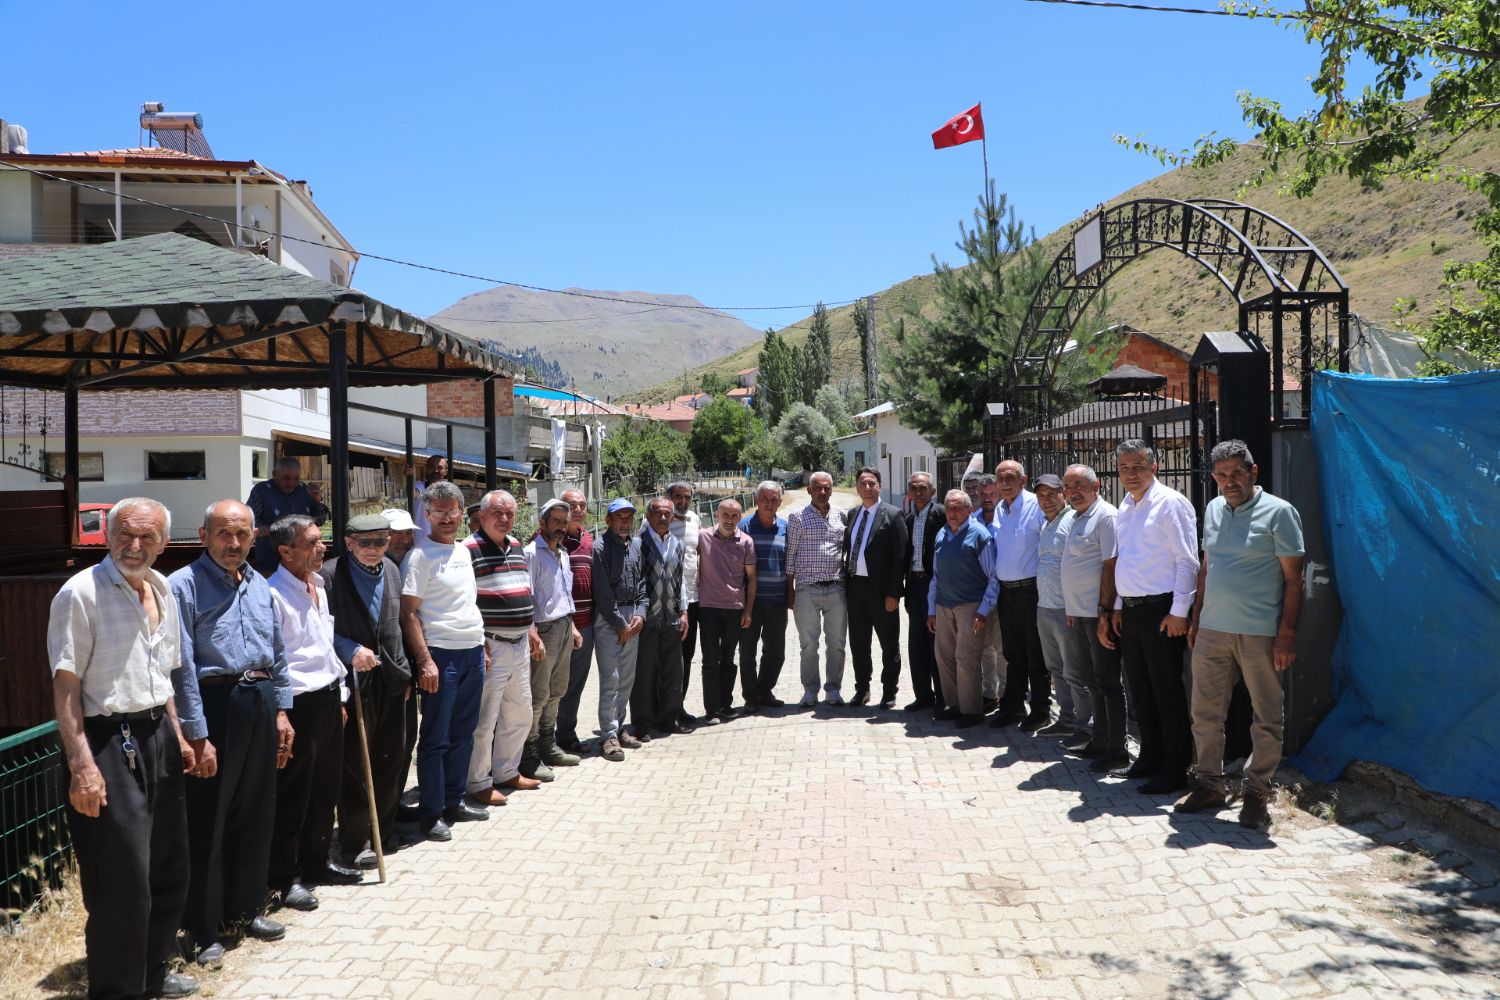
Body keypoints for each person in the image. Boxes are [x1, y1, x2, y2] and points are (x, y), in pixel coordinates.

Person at [49, 497, 198, 1000]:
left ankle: (152, 976)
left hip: (158, 737)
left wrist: (177, 736)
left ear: (164, 542)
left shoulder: (161, 586)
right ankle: (117, 990)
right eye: (125, 535)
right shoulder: (81, 593)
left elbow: (164, 676)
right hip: (108, 744)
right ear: (107, 536)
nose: (135, 547)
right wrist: (82, 767)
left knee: (167, 869)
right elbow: (66, 687)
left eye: (148, 537)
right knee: (121, 882)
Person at [170, 500, 291, 968]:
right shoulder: (183, 585)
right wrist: (197, 734)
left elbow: (276, 652)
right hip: (214, 704)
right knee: (209, 821)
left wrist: (283, 711)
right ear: (204, 536)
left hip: (259, 703)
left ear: (254, 538)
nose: (233, 544)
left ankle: (247, 908)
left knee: (258, 811)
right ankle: (203, 926)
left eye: (242, 535)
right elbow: (181, 665)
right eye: (224, 534)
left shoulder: (258, 583)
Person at [1175, 440, 1305, 830]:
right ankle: (1210, 784)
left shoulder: (1280, 513)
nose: (1229, 482)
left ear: (1253, 472)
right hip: (1213, 630)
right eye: (1221, 475)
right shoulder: (1214, 509)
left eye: (1237, 473)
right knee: (1204, 713)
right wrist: (1197, 617)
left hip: (1260, 633)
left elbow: (1294, 580)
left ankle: (1256, 794)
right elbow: (1206, 567)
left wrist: (1286, 635)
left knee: (1265, 715)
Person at [265, 515, 356, 914]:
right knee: (293, 795)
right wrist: (282, 713)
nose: (323, 548)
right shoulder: (272, 595)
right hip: (297, 703)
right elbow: (277, 660)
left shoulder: (318, 584)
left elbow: (323, 647)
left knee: (325, 788)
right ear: (286, 551)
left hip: (327, 696)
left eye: (322, 541)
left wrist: (339, 697)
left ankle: (318, 862)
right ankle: (286, 878)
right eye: (313, 542)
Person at [1098, 439, 1200, 796]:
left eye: (1138, 467)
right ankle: (1149, 758)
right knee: (1140, 691)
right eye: (1124, 468)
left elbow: (1188, 561)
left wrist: (1178, 612)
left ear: (1154, 467)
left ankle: (1176, 768)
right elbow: (1127, 559)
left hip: (1163, 611)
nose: (1131, 474)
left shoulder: (1170, 504)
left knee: (1167, 693)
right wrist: (1118, 608)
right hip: (1133, 611)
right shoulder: (1126, 505)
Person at [399, 480, 489, 842]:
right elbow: (409, 614)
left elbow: (467, 604)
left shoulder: (463, 552)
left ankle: (454, 800)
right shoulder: (419, 556)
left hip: (472, 652)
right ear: (427, 514)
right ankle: (431, 812)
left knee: (463, 733)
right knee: (435, 738)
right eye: (440, 512)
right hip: (441, 656)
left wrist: (481, 645)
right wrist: (425, 661)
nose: (448, 518)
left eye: (454, 511)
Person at [323, 514, 410, 872]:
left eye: (381, 541)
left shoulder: (390, 569)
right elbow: (317, 629)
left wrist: (404, 675)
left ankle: (382, 834)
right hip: (353, 679)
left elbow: (395, 625)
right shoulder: (329, 575)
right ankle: (353, 843)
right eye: (366, 542)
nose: (374, 549)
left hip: (390, 677)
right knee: (356, 765)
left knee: (392, 756)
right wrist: (348, 649)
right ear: (348, 542)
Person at [464, 491, 542, 807]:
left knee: (520, 711)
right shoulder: (468, 550)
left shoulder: (517, 545)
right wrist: (479, 641)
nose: (505, 518)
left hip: (520, 643)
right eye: (498, 512)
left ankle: (507, 771)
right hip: (492, 645)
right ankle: (478, 782)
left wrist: (532, 629)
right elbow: (466, 601)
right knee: (485, 720)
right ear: (481, 516)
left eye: (510, 512)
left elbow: (524, 590)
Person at [1059, 465, 1129, 773]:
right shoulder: (1077, 517)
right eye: (1067, 485)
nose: (1072, 491)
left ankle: (1117, 748)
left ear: (1096, 485)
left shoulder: (1106, 516)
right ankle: (1100, 742)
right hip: (1081, 614)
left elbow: (1111, 565)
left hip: (1098, 616)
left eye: (1078, 484)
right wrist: (1073, 609)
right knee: (1093, 682)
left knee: (1109, 683)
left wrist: (1104, 613)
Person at [521, 499, 585, 780]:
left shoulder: (563, 554)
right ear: (542, 523)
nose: (560, 527)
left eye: (563, 521)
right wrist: (532, 632)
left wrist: (572, 626)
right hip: (543, 631)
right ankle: (529, 752)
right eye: (555, 521)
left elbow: (561, 595)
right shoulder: (531, 554)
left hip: (563, 626)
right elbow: (527, 597)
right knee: (538, 694)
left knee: (557, 690)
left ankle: (549, 744)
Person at [925, 490, 998, 727]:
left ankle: (972, 711)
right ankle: (954, 705)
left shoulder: (979, 535)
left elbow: (993, 576)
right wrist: (932, 610)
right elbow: (936, 576)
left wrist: (983, 610)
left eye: (958, 508)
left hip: (970, 606)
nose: (953, 513)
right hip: (944, 605)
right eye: (949, 508)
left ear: (968, 509)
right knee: (943, 656)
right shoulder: (942, 534)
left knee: (966, 658)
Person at [989, 460, 1049, 731]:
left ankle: (1040, 710)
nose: (1005, 482)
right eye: (1001, 478)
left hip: (1030, 592)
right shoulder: (999, 509)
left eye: (1010, 477)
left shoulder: (1036, 506)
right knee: (1012, 653)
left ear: (1023, 481)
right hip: (1006, 592)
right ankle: (1012, 707)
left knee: (1035, 654)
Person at [842, 466, 909, 709]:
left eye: (872, 483)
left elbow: (900, 558)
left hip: (882, 593)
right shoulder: (852, 514)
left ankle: (889, 690)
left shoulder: (893, 515)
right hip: (855, 590)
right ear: (857, 487)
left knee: (889, 644)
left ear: (879, 486)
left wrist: (893, 593)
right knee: (859, 644)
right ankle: (862, 689)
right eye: (863, 483)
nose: (867, 488)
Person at [1032, 474, 1088, 741]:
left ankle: (1084, 725)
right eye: (1041, 496)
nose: (1046, 501)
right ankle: (1066, 719)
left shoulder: (1071, 521)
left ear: (1062, 494)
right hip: (1045, 607)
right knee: (1056, 669)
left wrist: (1070, 607)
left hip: (1065, 610)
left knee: (1075, 671)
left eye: (1051, 494)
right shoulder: (1046, 524)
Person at [785, 471, 848, 707]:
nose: (822, 492)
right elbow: (790, 555)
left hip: (835, 588)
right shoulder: (797, 517)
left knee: (837, 643)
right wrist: (789, 592)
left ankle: (833, 689)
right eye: (818, 488)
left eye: (827, 488)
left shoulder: (842, 515)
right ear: (809, 490)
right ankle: (810, 690)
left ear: (832, 489)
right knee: (809, 645)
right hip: (806, 590)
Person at [592, 498, 647, 760]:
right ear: (608, 520)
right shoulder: (599, 547)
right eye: (619, 517)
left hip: (632, 618)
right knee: (610, 678)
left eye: (629, 517)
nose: (625, 522)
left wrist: (640, 615)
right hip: (609, 619)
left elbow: (642, 586)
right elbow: (601, 592)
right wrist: (619, 624)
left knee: (627, 678)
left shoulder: (636, 545)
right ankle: (608, 736)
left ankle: (619, 725)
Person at [696, 498, 758, 723]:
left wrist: (748, 610)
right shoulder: (702, 537)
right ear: (717, 515)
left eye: (734, 516)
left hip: (735, 609)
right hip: (709, 608)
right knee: (710, 661)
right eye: (726, 515)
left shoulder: (746, 542)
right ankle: (711, 710)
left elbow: (751, 578)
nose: (730, 520)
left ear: (740, 518)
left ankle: (726, 705)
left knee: (729, 659)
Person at [636, 497, 692, 736]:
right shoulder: (638, 543)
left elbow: (680, 581)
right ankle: (642, 724)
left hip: (671, 617)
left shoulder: (678, 544)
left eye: (667, 514)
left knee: (673, 672)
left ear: (672, 517)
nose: (662, 518)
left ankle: (670, 719)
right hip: (647, 619)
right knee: (645, 673)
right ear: (648, 516)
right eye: (657, 513)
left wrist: (684, 611)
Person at [738, 481, 789, 710]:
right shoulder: (744, 526)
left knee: (776, 651)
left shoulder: (787, 527)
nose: (769, 504)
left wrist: (790, 594)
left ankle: (764, 690)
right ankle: (750, 696)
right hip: (751, 602)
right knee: (748, 651)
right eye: (765, 499)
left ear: (780, 501)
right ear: (757, 500)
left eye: (774, 500)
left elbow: (790, 564)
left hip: (777, 601)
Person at [553, 489, 596, 754]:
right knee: (551, 686)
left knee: (575, 685)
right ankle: (541, 739)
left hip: (587, 625)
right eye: (572, 505)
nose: (578, 510)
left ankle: (566, 734)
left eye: (582, 505)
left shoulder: (590, 540)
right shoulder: (549, 540)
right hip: (557, 626)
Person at [903, 471, 946, 712]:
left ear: (932, 491)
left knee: (936, 643)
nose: (918, 493)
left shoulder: (940, 514)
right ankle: (923, 696)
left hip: (934, 586)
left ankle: (942, 696)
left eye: (923, 488)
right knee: (916, 643)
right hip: (914, 587)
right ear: (909, 492)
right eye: (914, 488)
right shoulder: (908, 519)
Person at [246, 457, 328, 576]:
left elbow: (320, 521)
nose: (291, 483)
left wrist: (316, 501)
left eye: (296, 478)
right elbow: (248, 519)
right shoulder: (261, 491)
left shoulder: (304, 489)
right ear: (274, 474)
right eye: (286, 478)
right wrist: (260, 526)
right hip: (270, 561)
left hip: (303, 561)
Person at [667, 481, 702, 726]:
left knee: (686, 656)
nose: (682, 501)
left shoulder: (695, 519)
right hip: (666, 601)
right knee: (667, 658)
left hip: (693, 599)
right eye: (677, 496)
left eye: (686, 497)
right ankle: (664, 709)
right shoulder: (656, 520)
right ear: (669, 497)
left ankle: (679, 707)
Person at [969, 473, 1005, 711]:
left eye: (992, 494)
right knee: (984, 648)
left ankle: (1007, 695)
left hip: (1005, 594)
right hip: (978, 595)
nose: (988, 498)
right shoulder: (972, 520)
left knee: (1002, 649)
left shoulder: (1007, 518)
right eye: (983, 494)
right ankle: (989, 693)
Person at [411, 455, 448, 536]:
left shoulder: (449, 491)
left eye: (439, 468)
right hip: (420, 542)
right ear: (427, 469)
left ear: (446, 471)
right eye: (432, 467)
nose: (435, 470)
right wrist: (409, 477)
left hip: (442, 542)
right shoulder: (420, 486)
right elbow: (412, 493)